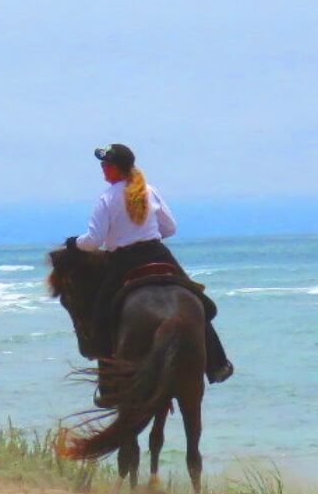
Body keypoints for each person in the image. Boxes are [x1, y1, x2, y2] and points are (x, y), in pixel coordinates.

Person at [72, 144, 233, 399]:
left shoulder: (107, 198)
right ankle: (217, 365)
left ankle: (108, 386)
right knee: (199, 303)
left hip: (123, 261)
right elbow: (170, 228)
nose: (103, 169)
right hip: (158, 254)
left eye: (107, 165)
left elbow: (94, 240)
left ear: (117, 168)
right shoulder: (150, 191)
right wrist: (147, 234)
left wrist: (74, 243)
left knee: (101, 315)